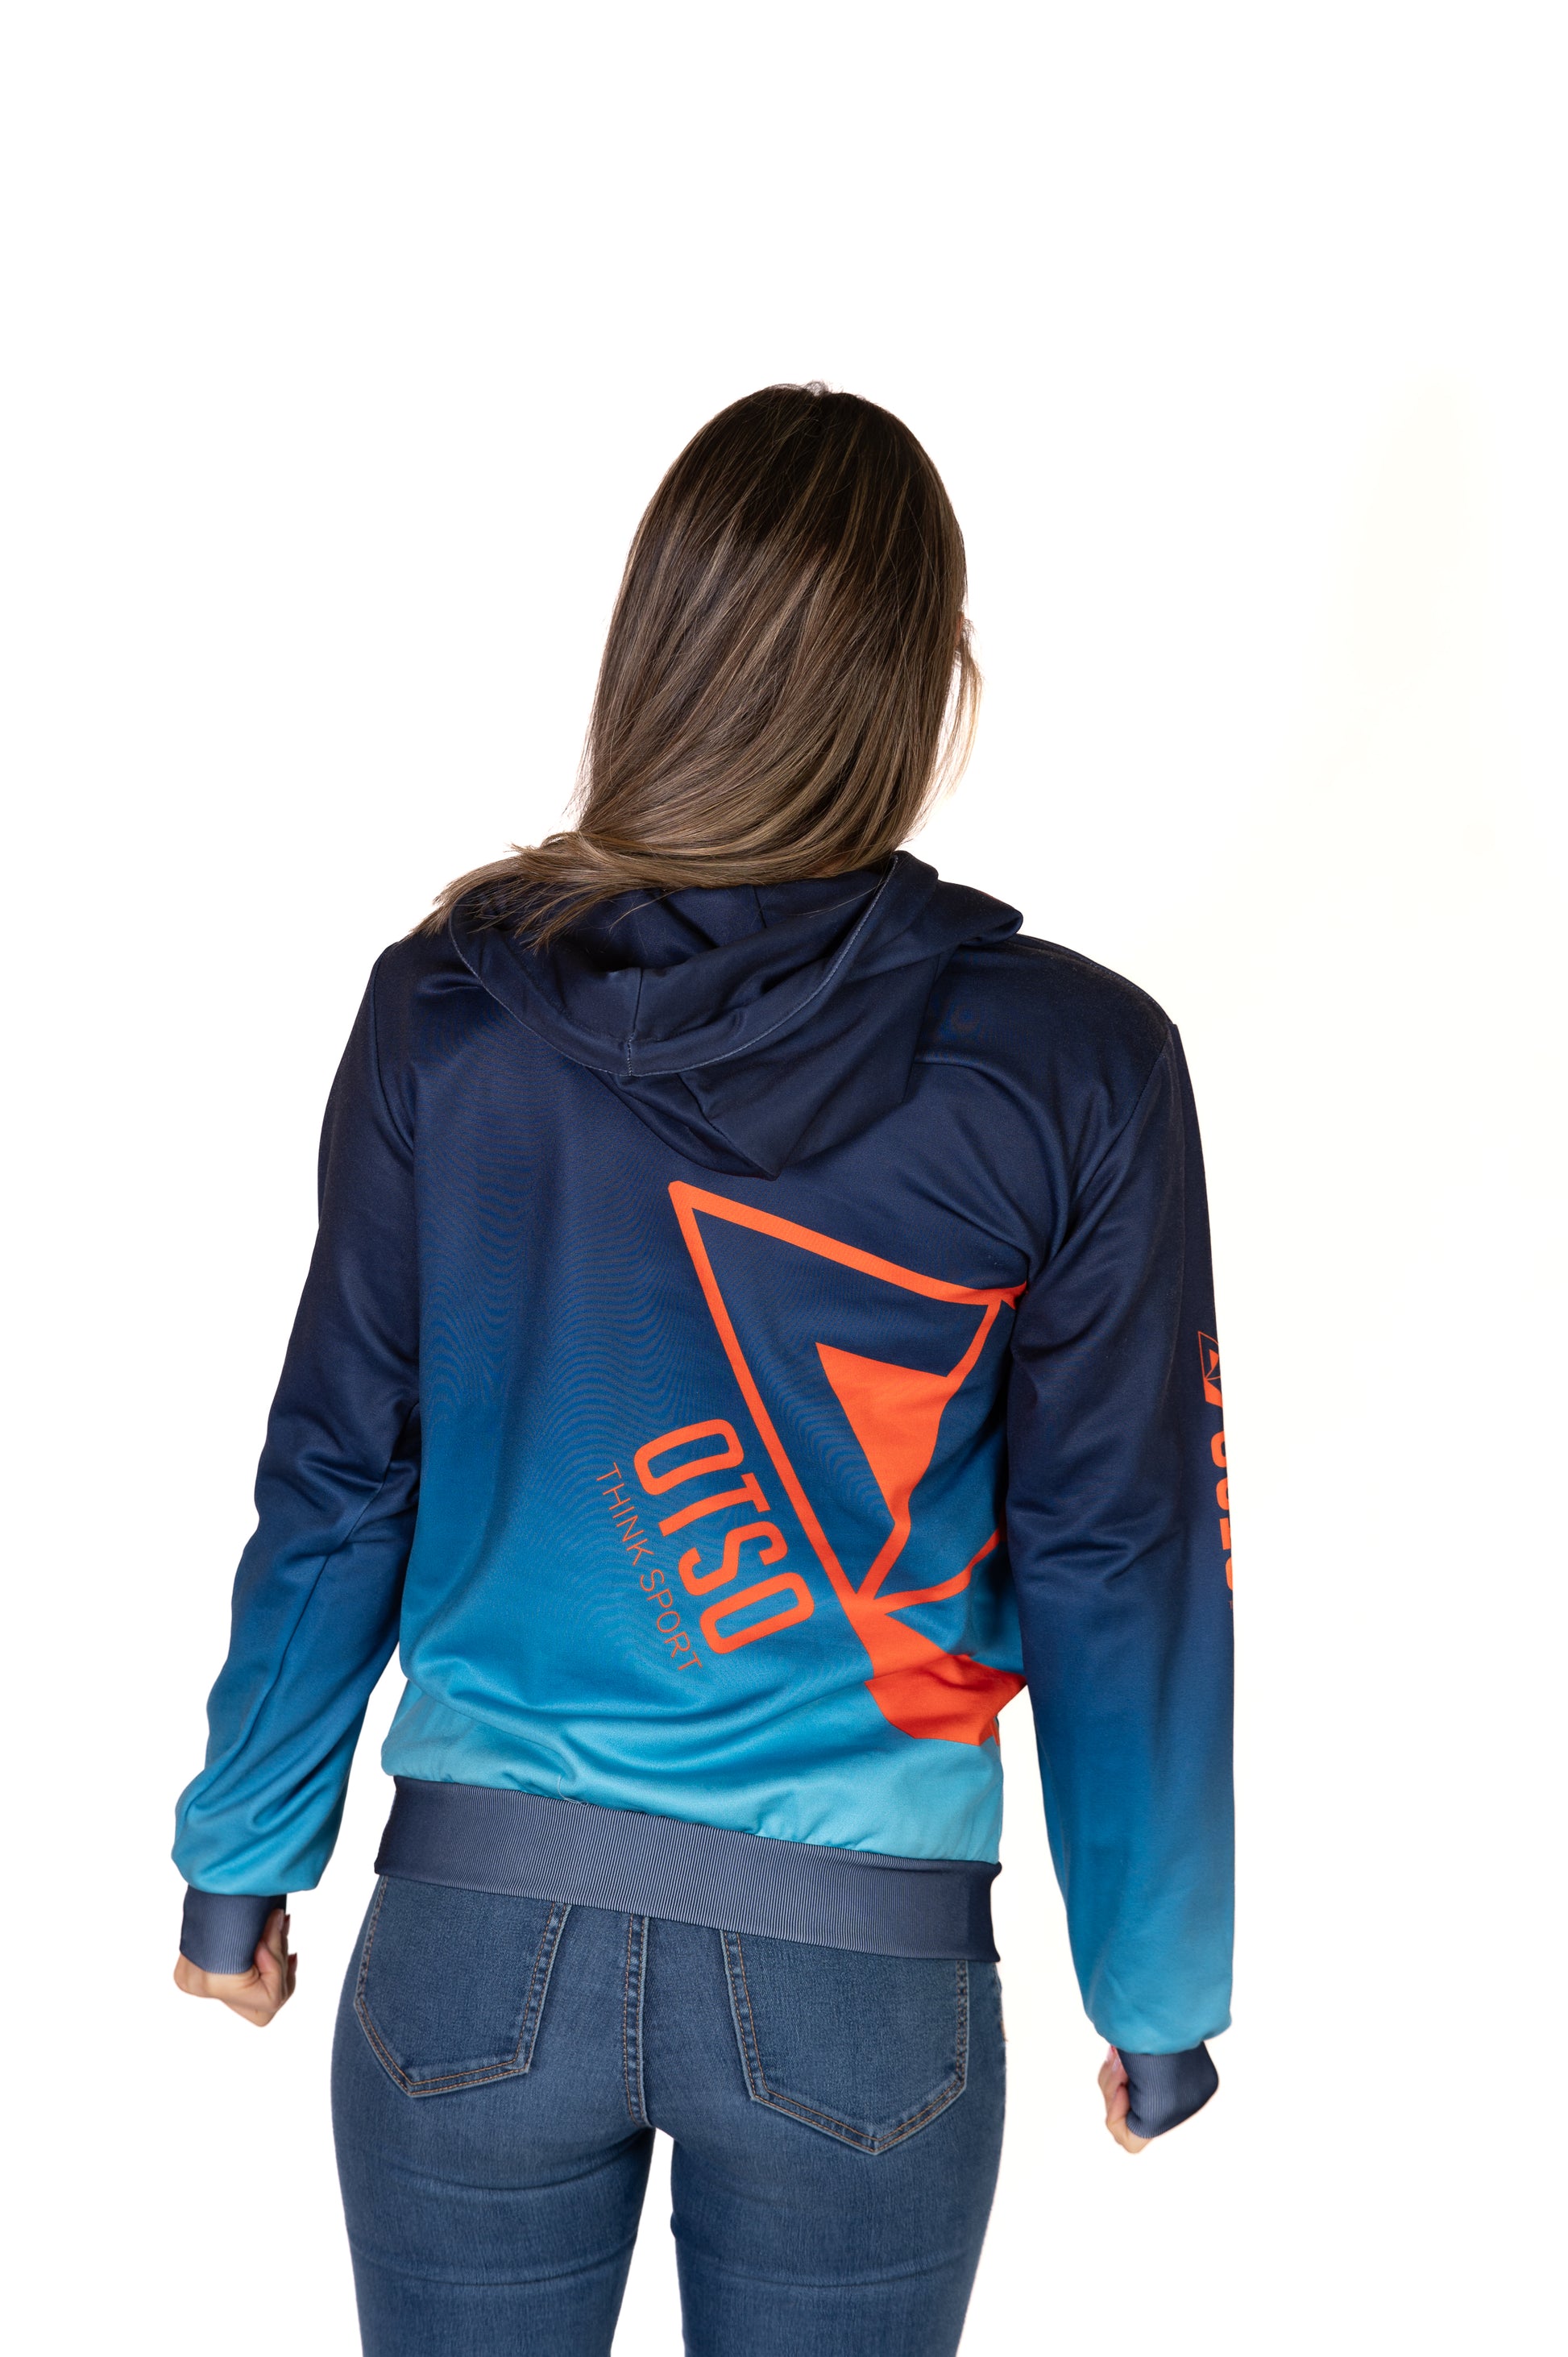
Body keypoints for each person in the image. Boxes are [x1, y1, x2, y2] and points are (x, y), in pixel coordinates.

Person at [172, 383, 1234, 2356]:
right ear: (925, 675)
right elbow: (1122, 1551)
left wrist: (240, 1858)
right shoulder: (1074, 1063)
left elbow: (344, 1465)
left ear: (654, 646)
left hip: (473, 1945)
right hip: (864, 1986)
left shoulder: (448, 1012)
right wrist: (1154, 1991)